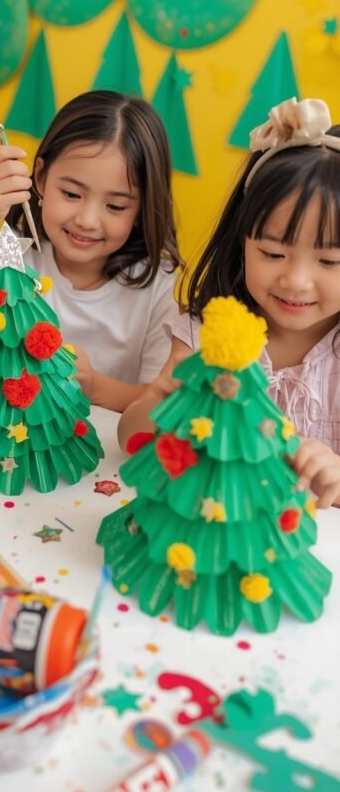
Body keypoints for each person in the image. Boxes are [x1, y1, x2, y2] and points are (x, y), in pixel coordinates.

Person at [118, 97, 340, 508]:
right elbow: (130, 439)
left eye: (330, 261)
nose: (296, 281)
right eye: (272, 253)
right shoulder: (207, 333)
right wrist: (162, 404)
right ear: (242, 243)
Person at [0, 90, 181, 412]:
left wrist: (96, 387)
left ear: (142, 207)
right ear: (42, 177)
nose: (87, 220)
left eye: (115, 206)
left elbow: (158, 400)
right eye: (72, 194)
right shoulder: (16, 251)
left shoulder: (160, 286)